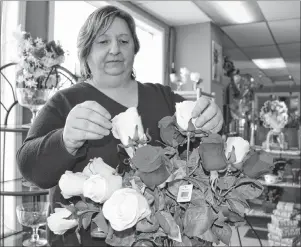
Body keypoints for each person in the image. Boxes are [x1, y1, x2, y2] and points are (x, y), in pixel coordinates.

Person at [17, 5, 223, 246]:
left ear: (134, 48)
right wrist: (66, 140)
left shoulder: (163, 97)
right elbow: (30, 168)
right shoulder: (66, 102)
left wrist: (212, 120)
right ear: (86, 52)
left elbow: (200, 154)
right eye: (103, 42)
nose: (115, 49)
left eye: (124, 41)